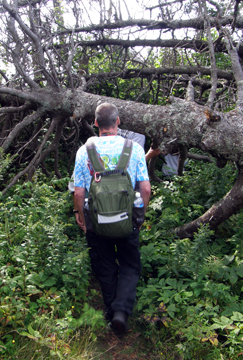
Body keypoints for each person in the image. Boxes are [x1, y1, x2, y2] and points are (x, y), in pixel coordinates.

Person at [72, 102, 151, 333]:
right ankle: (121, 311)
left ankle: (110, 313)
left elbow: (78, 192)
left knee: (105, 266)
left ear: (95, 123)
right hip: (128, 220)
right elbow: (145, 189)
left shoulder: (83, 151)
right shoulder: (134, 149)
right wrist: (140, 215)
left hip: (96, 221)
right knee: (129, 265)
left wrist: (79, 215)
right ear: (118, 122)